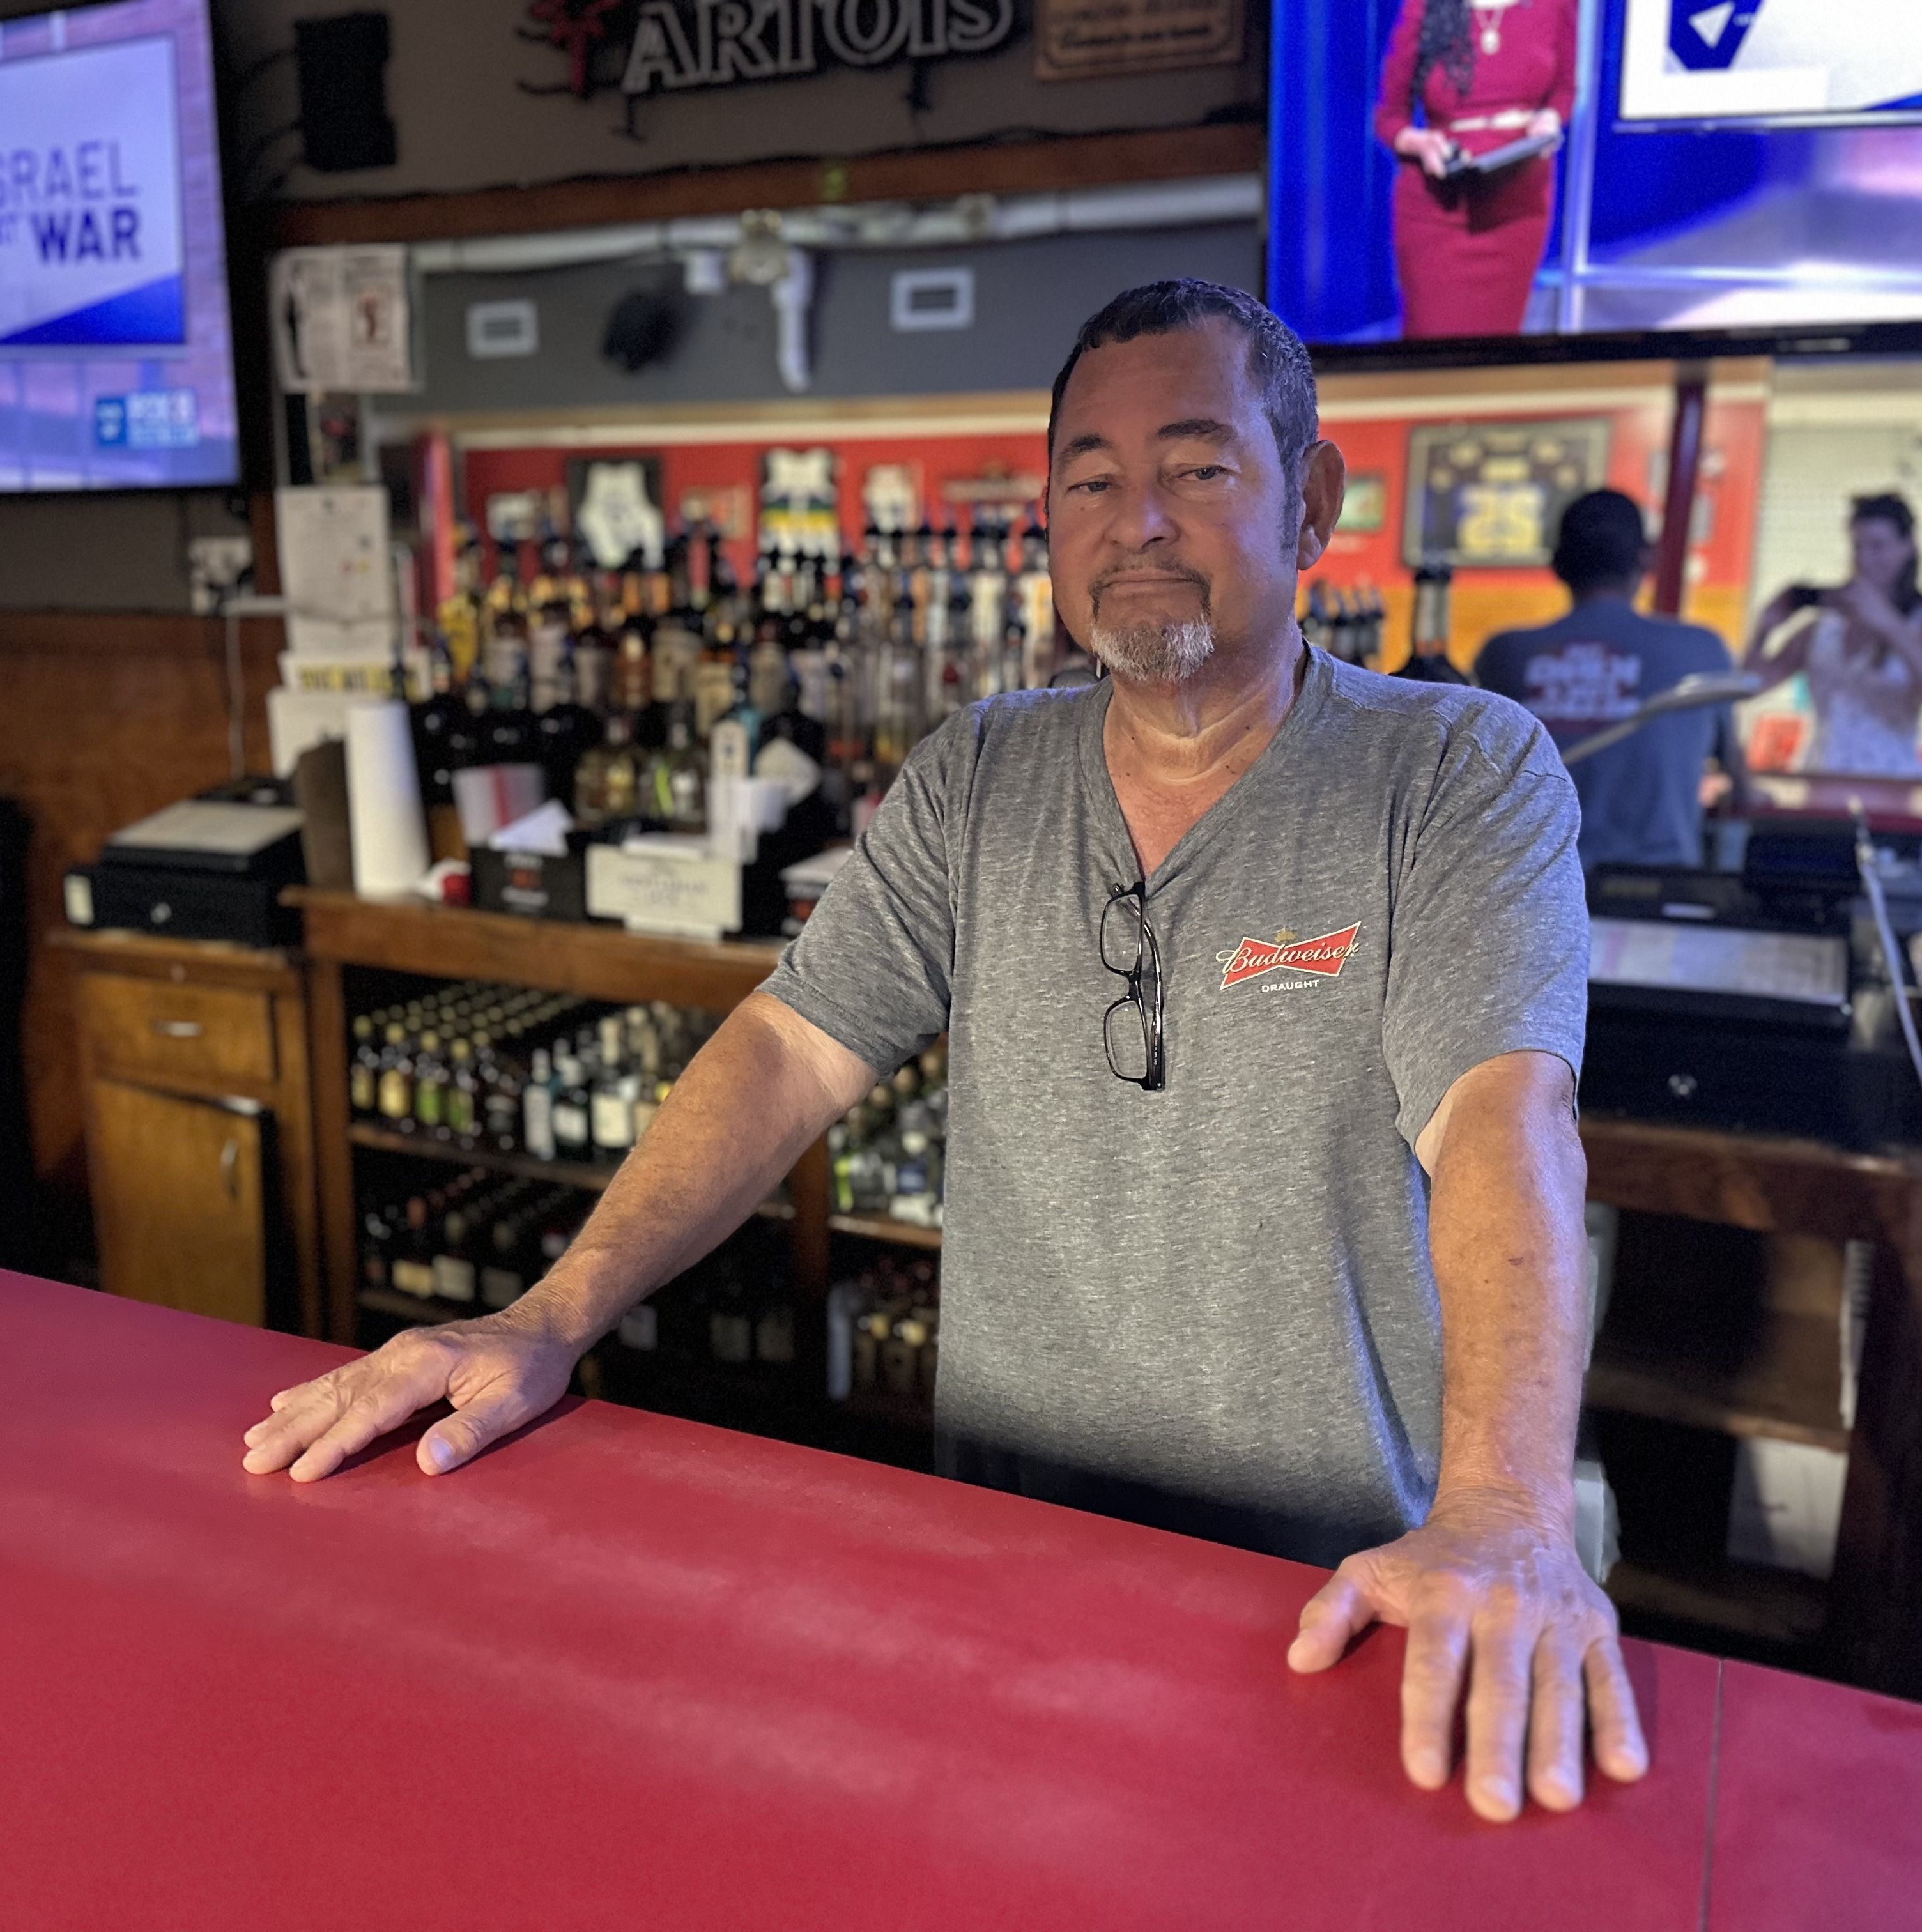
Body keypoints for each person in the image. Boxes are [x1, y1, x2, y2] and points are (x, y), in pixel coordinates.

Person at [243, 280, 1649, 1825]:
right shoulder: (978, 776)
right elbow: (785, 1052)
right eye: (1091, 482)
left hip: (1330, 1596)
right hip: (1000, 1573)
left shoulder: (1452, 768)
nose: (1138, 523)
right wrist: (548, 1316)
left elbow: (1503, 1120)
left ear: (1308, 499)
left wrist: (1506, 1511)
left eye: (1197, 467)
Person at [1476, 489, 1742, 870]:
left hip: (1531, 892)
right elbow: (1738, 780)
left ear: (1557, 564)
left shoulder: (1504, 654)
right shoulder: (1702, 650)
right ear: (1647, 558)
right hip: (1658, 894)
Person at [1374, 0, 1578, 340]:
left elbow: (1565, 91)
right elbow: (1389, 118)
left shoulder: (1558, 5)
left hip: (1519, 204)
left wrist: (1551, 118)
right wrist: (1422, 144)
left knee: (1495, 358)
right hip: (1439, 208)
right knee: (1433, 357)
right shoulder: (1423, 8)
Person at [1742, 493, 1922, 779]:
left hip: (1892, 785)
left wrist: (1891, 626)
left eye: (1878, 546)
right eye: (1858, 547)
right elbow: (1749, 688)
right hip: (1819, 778)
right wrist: (1763, 630)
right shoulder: (1824, 627)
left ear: (1907, 547)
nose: (1864, 559)